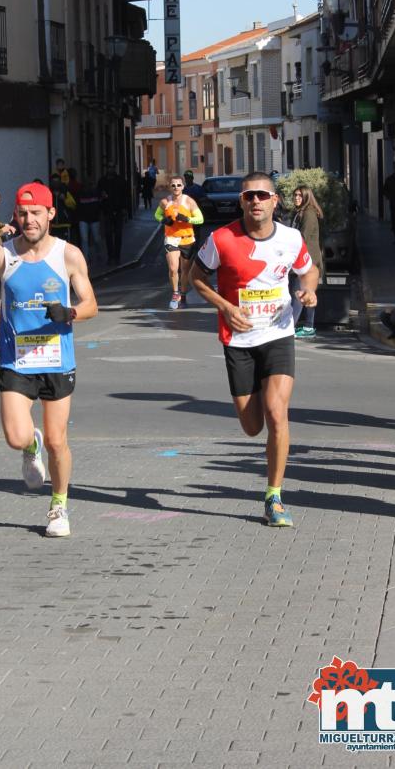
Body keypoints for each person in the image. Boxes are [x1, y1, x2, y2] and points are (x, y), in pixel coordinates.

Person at [190, 172, 319, 528]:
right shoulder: (221, 239)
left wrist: (308, 291)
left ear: (275, 201)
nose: (256, 202)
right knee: (252, 426)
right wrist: (226, 307)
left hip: (278, 333)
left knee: (278, 414)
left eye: (263, 195)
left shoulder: (291, 239)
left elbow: (310, 271)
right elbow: (196, 278)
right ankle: (260, 392)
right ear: (241, 202)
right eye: (249, 196)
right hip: (239, 340)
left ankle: (273, 496)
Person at [0, 182, 98, 537]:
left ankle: (58, 506)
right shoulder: (2, 256)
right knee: (15, 436)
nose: (29, 220)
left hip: (57, 359)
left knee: (58, 441)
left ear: (50, 215)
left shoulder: (68, 255)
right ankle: (31, 445)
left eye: (36, 213)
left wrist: (70, 312)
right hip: (16, 359)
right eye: (23, 213)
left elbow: (92, 304)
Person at [155, 175, 203, 309]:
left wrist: (187, 219)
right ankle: (175, 293)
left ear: (183, 186)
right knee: (173, 268)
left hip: (187, 238)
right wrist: (163, 220)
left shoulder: (189, 201)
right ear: (169, 187)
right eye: (173, 185)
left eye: (179, 185)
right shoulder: (165, 202)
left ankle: (183, 295)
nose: (176, 187)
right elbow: (157, 215)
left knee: (185, 270)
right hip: (171, 238)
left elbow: (200, 219)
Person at [290, 185, 324, 339]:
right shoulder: (300, 212)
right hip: (304, 259)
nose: (296, 198)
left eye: (300, 195)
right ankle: (309, 326)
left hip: (307, 261)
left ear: (306, 197)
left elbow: (301, 238)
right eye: (295, 195)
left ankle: (291, 328)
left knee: (298, 293)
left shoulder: (308, 213)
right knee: (308, 293)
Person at [98, 167, 127, 265]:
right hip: (107, 212)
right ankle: (110, 256)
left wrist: (124, 208)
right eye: (108, 167)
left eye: (111, 167)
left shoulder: (120, 180)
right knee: (108, 235)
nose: (110, 169)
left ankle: (117, 257)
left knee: (118, 235)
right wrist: (102, 197)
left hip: (118, 211)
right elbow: (98, 194)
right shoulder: (102, 181)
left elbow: (125, 195)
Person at [76, 172, 102, 261]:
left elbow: (100, 204)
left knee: (96, 239)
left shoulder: (96, 192)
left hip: (94, 219)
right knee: (85, 240)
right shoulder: (79, 192)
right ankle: (85, 259)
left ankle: (98, 253)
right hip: (84, 219)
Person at [49, 173, 76, 242]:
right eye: (53, 182)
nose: (55, 184)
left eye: (57, 181)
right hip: (52, 225)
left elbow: (73, 205)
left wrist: (64, 199)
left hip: (64, 224)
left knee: (65, 245)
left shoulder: (65, 191)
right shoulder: (48, 193)